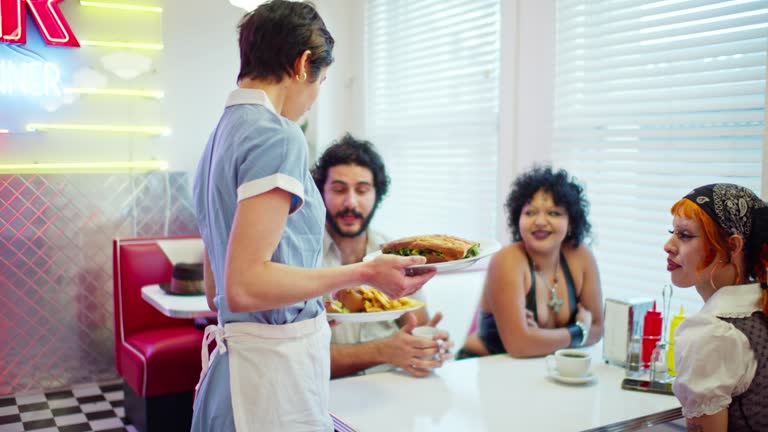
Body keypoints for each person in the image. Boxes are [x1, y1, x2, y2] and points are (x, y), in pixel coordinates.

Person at [190, 3, 435, 431]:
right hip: (271, 382)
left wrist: (309, 295)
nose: (315, 96)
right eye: (321, 80)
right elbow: (245, 285)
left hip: (236, 376)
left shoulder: (216, 142)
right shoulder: (277, 135)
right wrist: (362, 273)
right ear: (304, 64)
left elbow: (218, 292)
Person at [312, 133, 451, 378]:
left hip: (392, 387)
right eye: (339, 189)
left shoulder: (396, 254)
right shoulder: (302, 257)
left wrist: (428, 344)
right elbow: (302, 359)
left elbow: (415, 329)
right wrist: (382, 351)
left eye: (362, 190)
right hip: (329, 395)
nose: (350, 203)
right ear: (321, 192)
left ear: (377, 194)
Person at [458, 166, 603, 358]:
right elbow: (520, 347)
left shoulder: (581, 257)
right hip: (484, 367)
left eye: (554, 213)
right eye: (530, 212)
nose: (540, 221)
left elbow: (598, 328)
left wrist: (540, 338)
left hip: (540, 370)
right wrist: (578, 331)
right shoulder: (507, 260)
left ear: (571, 223)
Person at [665, 184, 768, 432]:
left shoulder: (712, 334)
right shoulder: (757, 313)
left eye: (684, 235)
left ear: (732, 247)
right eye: (672, 231)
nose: (668, 245)